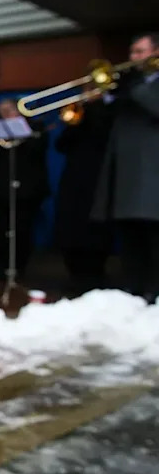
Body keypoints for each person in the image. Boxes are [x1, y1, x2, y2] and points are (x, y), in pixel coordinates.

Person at [91, 32, 159, 303]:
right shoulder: (132, 84)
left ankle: (155, 292)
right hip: (127, 177)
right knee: (131, 240)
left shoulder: (141, 87)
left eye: (140, 51)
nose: (133, 58)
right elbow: (108, 124)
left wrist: (132, 87)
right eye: (132, 52)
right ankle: (134, 291)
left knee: (154, 240)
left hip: (152, 177)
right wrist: (105, 96)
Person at [0, 98, 49, 282]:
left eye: (9, 110)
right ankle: (0, 267)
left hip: (27, 190)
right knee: (1, 229)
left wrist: (23, 134)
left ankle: (20, 267)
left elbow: (38, 150)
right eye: (2, 111)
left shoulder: (36, 128)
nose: (5, 114)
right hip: (1, 189)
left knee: (23, 229)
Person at [54, 91, 114, 296]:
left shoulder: (108, 110)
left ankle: (94, 275)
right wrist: (75, 120)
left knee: (95, 226)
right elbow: (61, 145)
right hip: (73, 177)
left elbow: (102, 136)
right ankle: (75, 274)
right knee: (69, 223)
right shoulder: (79, 114)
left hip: (99, 175)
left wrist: (93, 108)